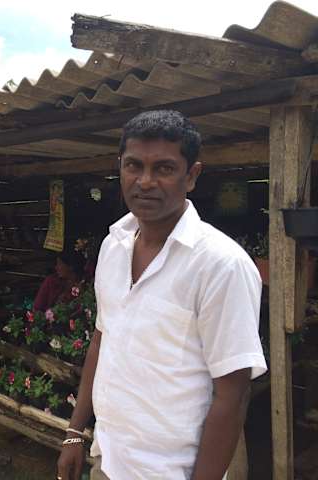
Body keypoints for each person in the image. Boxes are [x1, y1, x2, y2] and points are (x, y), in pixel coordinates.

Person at [56, 110, 266, 480]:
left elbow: (232, 395)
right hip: (109, 458)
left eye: (164, 168)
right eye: (134, 165)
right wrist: (75, 432)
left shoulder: (221, 265)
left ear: (192, 175)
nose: (145, 181)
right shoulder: (113, 246)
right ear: (120, 167)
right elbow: (103, 339)